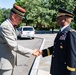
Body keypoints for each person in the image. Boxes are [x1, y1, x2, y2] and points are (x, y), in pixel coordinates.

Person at [0, 4, 40, 75]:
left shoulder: (11, 26)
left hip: (9, 62)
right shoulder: (5, 26)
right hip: (5, 64)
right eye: (19, 19)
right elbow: (14, 46)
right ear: (13, 16)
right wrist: (31, 52)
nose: (20, 21)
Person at [39, 8, 76, 75]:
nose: (57, 19)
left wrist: (71, 72)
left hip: (63, 71)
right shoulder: (61, 32)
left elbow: (72, 55)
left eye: (59, 17)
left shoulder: (71, 33)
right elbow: (56, 48)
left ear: (65, 19)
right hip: (57, 69)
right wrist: (42, 52)